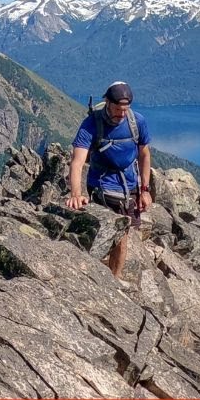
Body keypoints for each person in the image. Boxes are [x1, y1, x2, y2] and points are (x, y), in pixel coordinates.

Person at [64, 81, 153, 280]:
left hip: (130, 186)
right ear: (107, 102)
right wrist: (76, 195)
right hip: (102, 185)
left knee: (123, 233)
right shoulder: (92, 124)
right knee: (118, 234)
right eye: (117, 109)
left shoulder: (137, 122)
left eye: (125, 110)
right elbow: (77, 161)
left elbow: (145, 155)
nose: (121, 114)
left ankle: (113, 278)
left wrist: (145, 190)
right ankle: (107, 277)